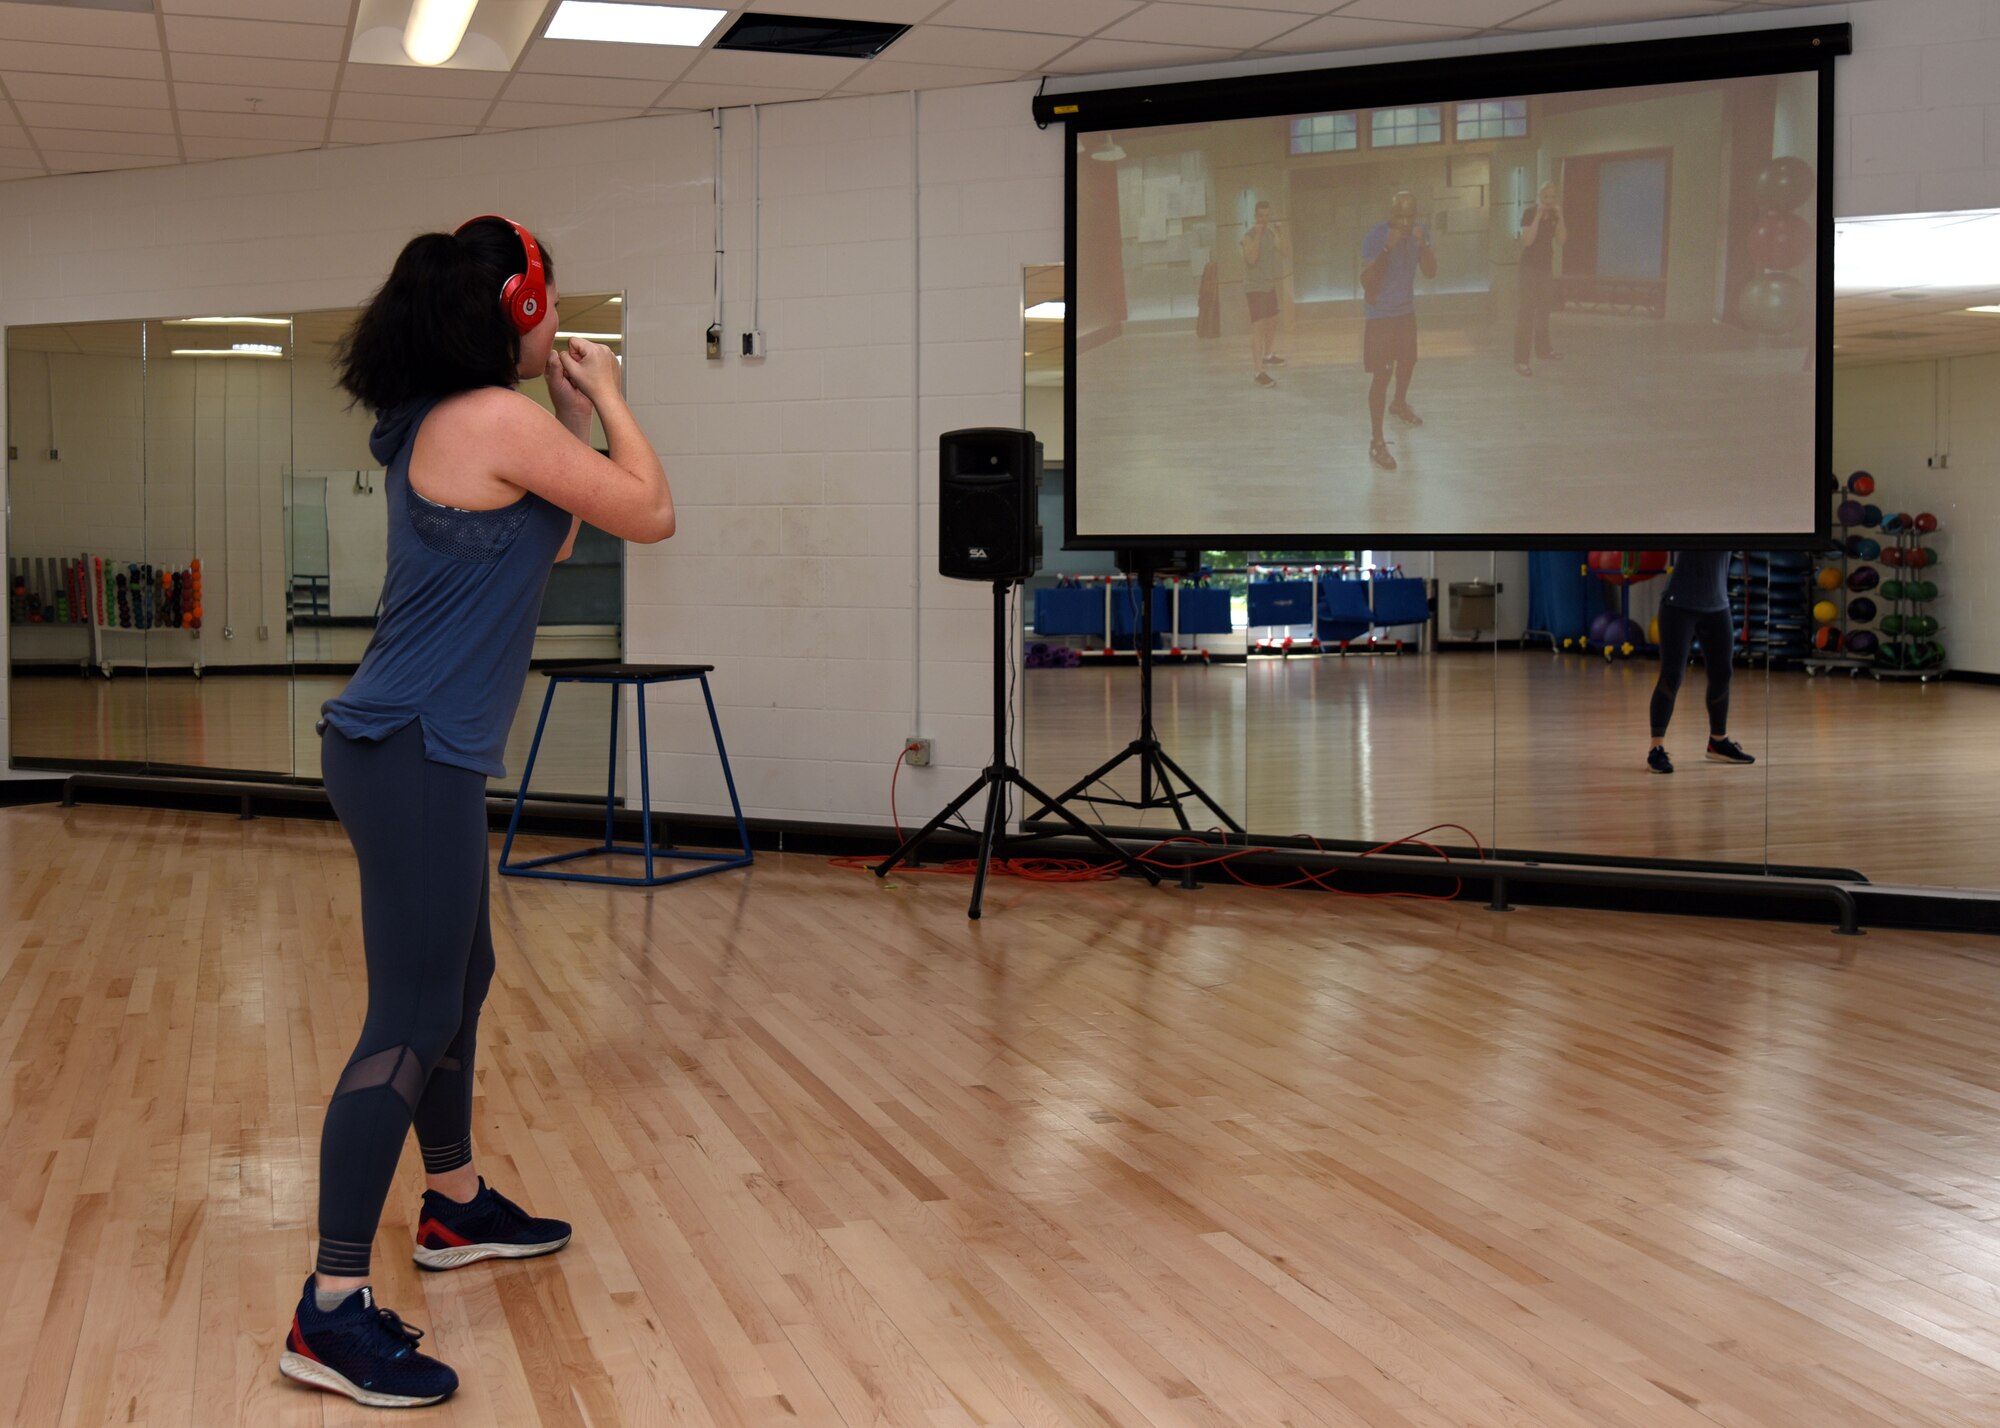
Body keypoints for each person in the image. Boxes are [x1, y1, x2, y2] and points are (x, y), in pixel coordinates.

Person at [282, 215, 676, 1409]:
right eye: (541, 303)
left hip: (411, 748)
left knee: (463, 978)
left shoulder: (447, 428)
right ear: (512, 308)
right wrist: (607, 395)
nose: (551, 322)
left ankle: (450, 1206)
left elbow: (548, 539)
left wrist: (566, 419)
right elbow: (645, 512)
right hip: (410, 753)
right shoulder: (489, 419)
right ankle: (329, 1310)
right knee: (406, 1022)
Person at [1648, 549, 1755, 774]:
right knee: (1672, 675)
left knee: (1722, 673)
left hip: (1717, 605)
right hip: (1678, 605)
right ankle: (1656, 748)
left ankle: (1718, 741)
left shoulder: (1731, 521)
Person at [1358, 190, 1436, 472]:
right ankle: (1377, 441)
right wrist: (1387, 249)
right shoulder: (1375, 236)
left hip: (1405, 312)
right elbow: (1367, 283)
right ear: (1390, 215)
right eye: (1399, 216)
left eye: (1409, 216)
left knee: (1409, 361)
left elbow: (1431, 271)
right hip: (1379, 315)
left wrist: (1423, 245)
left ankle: (1399, 403)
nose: (1404, 222)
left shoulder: (1420, 232)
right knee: (1382, 374)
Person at [1514, 180, 1565, 376]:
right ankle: (1520, 360)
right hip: (1528, 269)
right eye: (1546, 197)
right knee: (1526, 314)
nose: (1549, 201)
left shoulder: (1554, 216)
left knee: (1544, 311)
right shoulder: (1529, 213)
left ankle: (1543, 350)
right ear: (1539, 197)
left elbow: (1561, 240)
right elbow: (1527, 241)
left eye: (1552, 197)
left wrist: (1560, 218)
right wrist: (1538, 215)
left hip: (1545, 269)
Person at [1240, 199, 1287, 387]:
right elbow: (1251, 259)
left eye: (1267, 216)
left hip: (1269, 285)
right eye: (1261, 216)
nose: (1264, 219)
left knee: (1274, 319)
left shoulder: (1270, 234)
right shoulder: (1248, 236)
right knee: (1258, 328)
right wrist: (1258, 235)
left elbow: (1285, 251)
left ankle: (1267, 355)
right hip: (1254, 287)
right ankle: (1258, 371)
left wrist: (1280, 233)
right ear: (1255, 216)